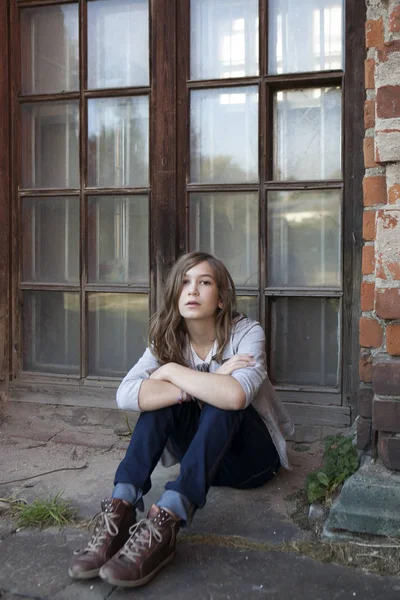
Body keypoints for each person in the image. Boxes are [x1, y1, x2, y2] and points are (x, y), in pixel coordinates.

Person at [69, 251, 294, 589]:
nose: (192, 291)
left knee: (221, 400)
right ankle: (120, 509)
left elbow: (234, 396)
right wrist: (202, 380)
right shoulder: (166, 339)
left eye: (204, 282)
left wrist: (172, 372)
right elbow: (126, 394)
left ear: (220, 299)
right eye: (185, 283)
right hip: (202, 461)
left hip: (252, 461)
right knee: (164, 401)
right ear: (175, 293)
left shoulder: (246, 333)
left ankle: (166, 520)